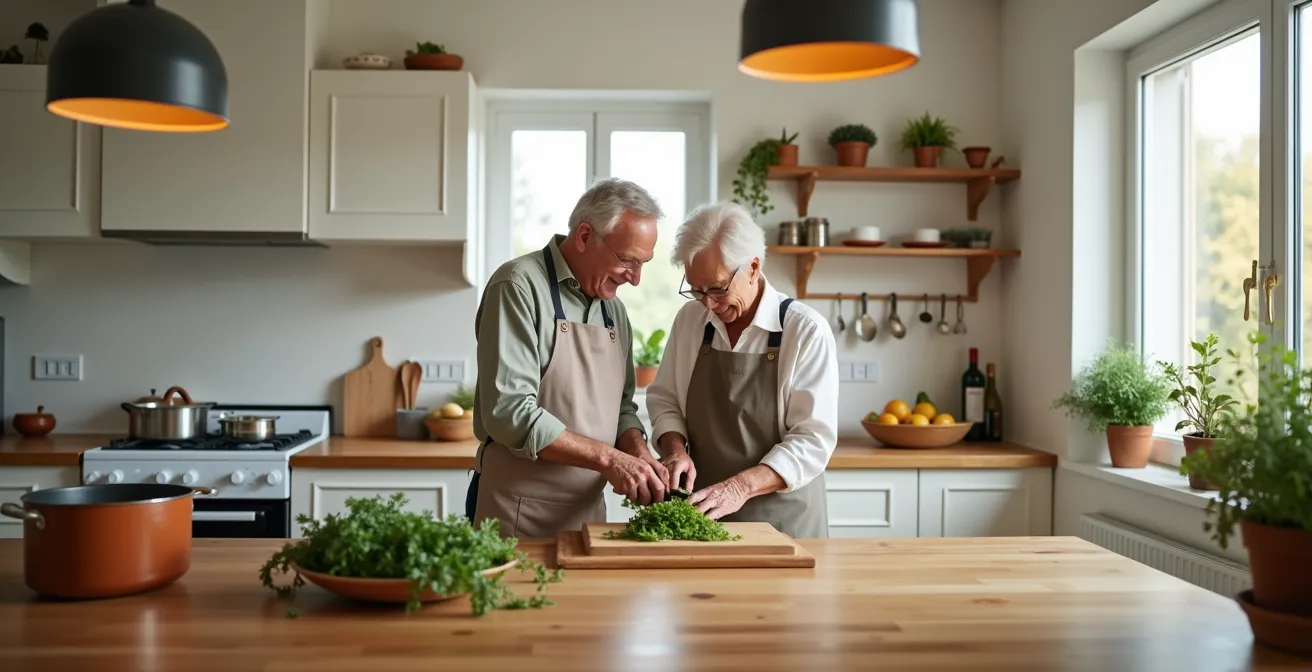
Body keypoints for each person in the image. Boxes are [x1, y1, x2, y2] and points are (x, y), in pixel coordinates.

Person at [467, 177, 671, 539]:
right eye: (627, 261)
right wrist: (611, 460)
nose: (636, 279)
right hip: (514, 512)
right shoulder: (517, 286)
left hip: (588, 516)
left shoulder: (615, 312)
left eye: (643, 264)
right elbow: (509, 412)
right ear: (584, 236)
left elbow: (622, 409)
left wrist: (640, 454)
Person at [646, 201, 838, 538]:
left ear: (752, 267)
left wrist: (739, 488)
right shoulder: (691, 321)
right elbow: (666, 401)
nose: (707, 303)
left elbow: (812, 440)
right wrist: (674, 451)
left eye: (717, 288)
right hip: (704, 520)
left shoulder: (805, 330)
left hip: (785, 524)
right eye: (695, 289)